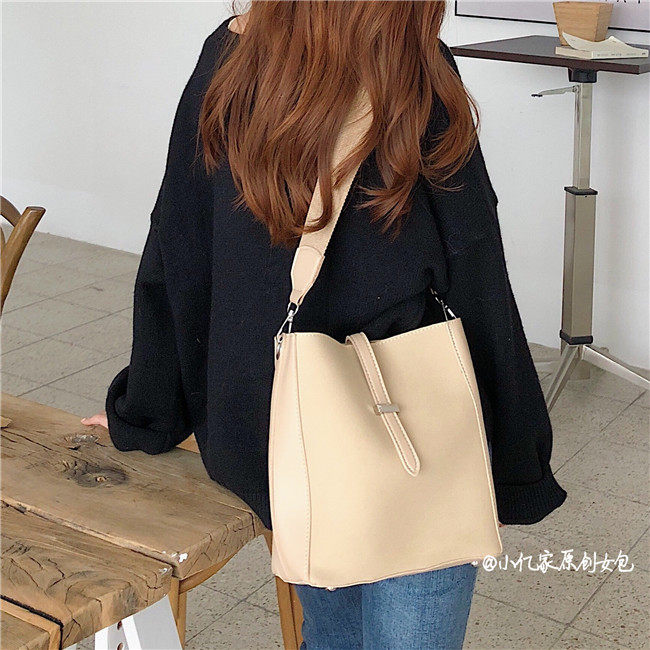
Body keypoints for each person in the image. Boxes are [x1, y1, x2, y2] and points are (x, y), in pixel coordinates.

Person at [83, 2, 567, 647]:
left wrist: (147, 410)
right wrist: (514, 461)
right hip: (410, 441)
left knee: (331, 631)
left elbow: (179, 255)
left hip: (287, 436)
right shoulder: (413, 71)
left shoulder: (231, 58)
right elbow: (475, 276)